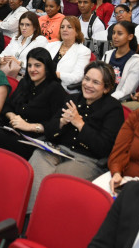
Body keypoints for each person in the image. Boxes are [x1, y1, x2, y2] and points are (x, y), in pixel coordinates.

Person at [27, 61, 124, 210]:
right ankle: (30, 216)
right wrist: (61, 122)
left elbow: (104, 148)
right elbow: (49, 131)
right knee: (37, 161)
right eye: (86, 79)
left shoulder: (113, 109)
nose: (88, 85)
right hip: (58, 150)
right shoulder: (73, 99)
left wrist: (80, 124)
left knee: (56, 179)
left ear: (106, 88)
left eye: (95, 82)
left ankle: (42, 218)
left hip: (87, 160)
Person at [0, 47, 67, 163]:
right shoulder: (25, 82)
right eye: (29, 65)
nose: (32, 69)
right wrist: (13, 117)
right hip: (12, 131)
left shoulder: (55, 89)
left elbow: (57, 125)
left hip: (33, 141)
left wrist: (28, 126)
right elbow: (7, 106)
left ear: (46, 67)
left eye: (37, 65)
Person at [46, 16, 92, 91]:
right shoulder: (50, 45)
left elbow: (77, 77)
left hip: (63, 89)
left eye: (69, 27)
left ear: (77, 32)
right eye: (62, 27)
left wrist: (56, 74)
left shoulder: (83, 51)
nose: (64, 29)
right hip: (45, 84)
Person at [0, 11, 48, 79]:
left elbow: (39, 64)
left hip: (24, 77)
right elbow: (3, 54)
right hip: (7, 72)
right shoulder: (16, 38)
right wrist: (1, 59)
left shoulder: (40, 40)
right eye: (22, 24)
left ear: (35, 27)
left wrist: (19, 63)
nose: (24, 28)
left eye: (27, 25)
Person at [102, 20, 139, 100]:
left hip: (118, 101)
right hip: (100, 96)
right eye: (114, 33)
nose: (115, 36)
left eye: (120, 34)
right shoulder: (107, 54)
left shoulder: (136, 60)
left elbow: (126, 91)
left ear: (130, 36)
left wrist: (106, 101)